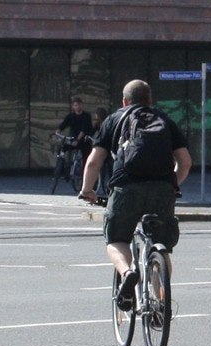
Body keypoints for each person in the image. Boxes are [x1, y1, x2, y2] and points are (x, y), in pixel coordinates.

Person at [79, 79, 191, 311]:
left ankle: (128, 273)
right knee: (161, 244)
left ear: (124, 101)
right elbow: (185, 163)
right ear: (150, 100)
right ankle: (160, 299)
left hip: (126, 187)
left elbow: (94, 162)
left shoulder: (114, 119)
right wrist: (172, 185)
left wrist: (87, 190)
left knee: (117, 238)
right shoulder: (165, 120)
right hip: (162, 189)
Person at [92, 106, 112, 197]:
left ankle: (104, 185)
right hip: (108, 146)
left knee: (103, 165)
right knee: (108, 167)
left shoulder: (105, 123)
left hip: (105, 147)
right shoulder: (103, 123)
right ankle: (105, 186)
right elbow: (91, 132)